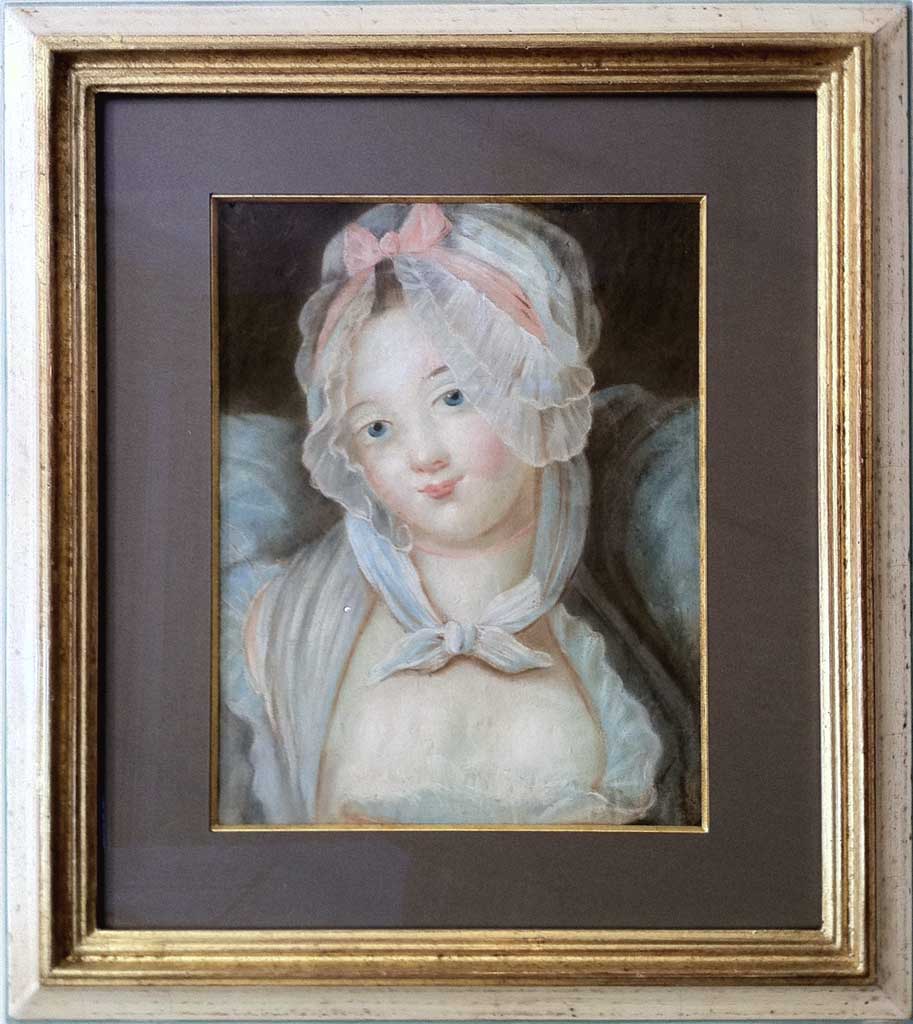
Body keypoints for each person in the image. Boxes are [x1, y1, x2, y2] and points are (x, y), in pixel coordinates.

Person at [218, 202, 700, 826]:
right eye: (377, 427)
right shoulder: (282, 627)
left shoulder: (633, 622)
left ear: (535, 386)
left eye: (453, 396)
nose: (423, 456)